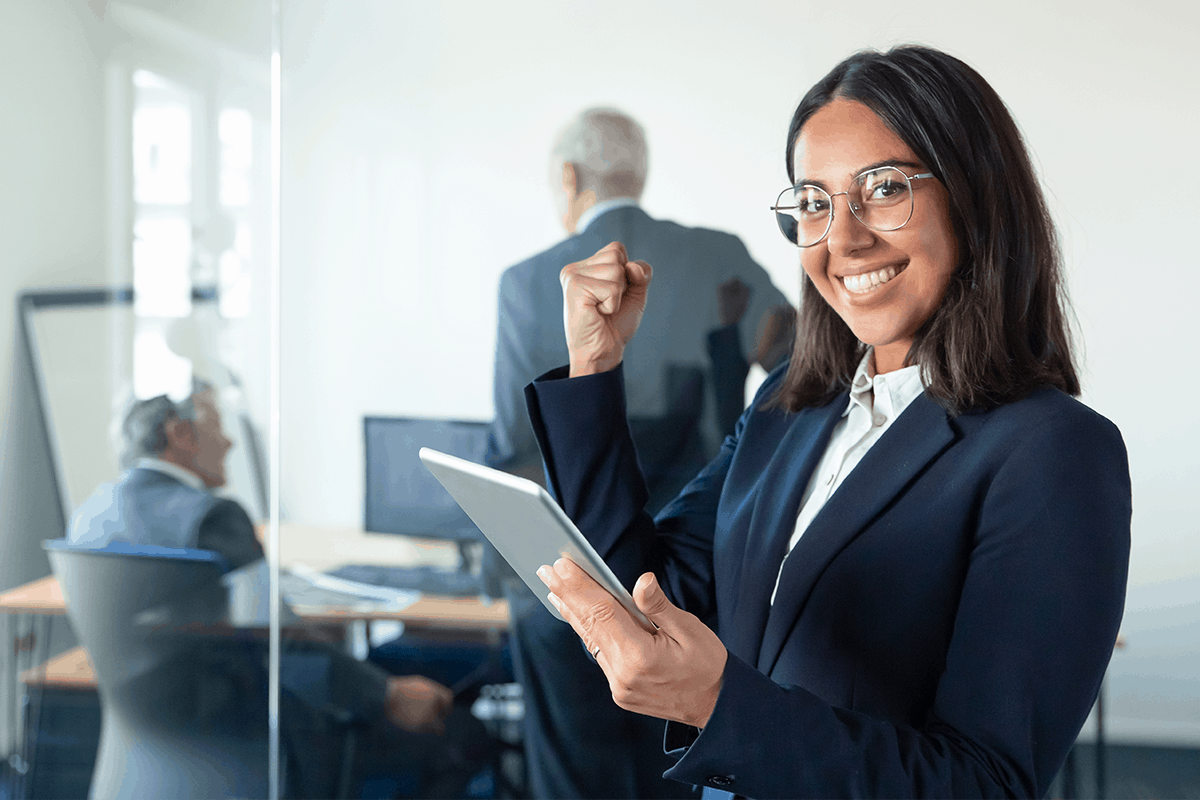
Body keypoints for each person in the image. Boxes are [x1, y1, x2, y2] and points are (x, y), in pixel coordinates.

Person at [529, 45, 1131, 800]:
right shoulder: (791, 405)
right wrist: (593, 368)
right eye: (814, 201)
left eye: (883, 190)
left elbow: (986, 784)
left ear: (975, 199)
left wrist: (716, 705)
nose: (843, 239)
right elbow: (646, 589)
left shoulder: (1054, 452)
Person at [486, 107, 790, 799]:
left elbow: (512, 441)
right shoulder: (721, 256)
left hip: (562, 581)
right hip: (697, 577)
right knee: (682, 770)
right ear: (640, 173)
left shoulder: (530, 281)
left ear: (568, 177)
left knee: (571, 777)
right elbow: (801, 378)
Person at [68, 382, 489, 798]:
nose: (231, 442)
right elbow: (280, 642)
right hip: (256, 743)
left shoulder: (90, 514)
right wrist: (387, 694)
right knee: (464, 734)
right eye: (218, 426)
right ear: (180, 435)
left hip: (146, 746)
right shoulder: (211, 517)